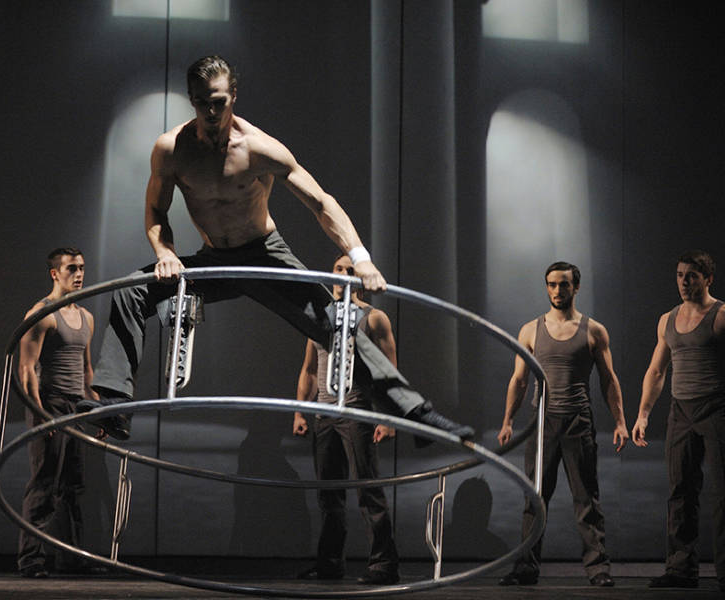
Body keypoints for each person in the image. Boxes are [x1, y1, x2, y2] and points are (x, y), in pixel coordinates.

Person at [78, 55, 473, 443]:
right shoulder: (172, 148)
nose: (210, 111)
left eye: (218, 101)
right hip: (214, 260)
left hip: (265, 255)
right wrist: (165, 252)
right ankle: (114, 404)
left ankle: (417, 414)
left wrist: (361, 258)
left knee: (338, 325)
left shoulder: (259, 148)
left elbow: (321, 203)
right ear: (191, 99)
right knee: (132, 290)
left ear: (234, 96)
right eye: (201, 102)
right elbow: (155, 210)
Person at [497, 262, 627, 588]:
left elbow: (609, 380)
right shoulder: (530, 330)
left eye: (564, 284)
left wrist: (621, 422)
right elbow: (519, 380)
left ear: (576, 287)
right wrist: (508, 420)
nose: (557, 290)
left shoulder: (594, 331)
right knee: (535, 498)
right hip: (542, 422)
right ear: (547, 287)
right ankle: (525, 568)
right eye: (552, 284)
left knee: (586, 500)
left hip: (578, 422)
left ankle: (598, 569)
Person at [292, 254, 400, 585]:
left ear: (360, 279)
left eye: (349, 270)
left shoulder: (374, 319)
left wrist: (387, 419)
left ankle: (384, 565)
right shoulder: (319, 317)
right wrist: (300, 411)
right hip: (324, 414)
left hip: (357, 413)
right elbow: (310, 369)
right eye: (337, 269)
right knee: (329, 494)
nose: (341, 275)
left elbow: (389, 373)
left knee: (368, 491)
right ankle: (329, 563)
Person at [632, 250, 725, 592]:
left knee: (722, 494)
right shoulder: (667, 319)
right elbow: (657, 371)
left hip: (716, 408)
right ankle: (682, 569)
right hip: (681, 412)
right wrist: (643, 414)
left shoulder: (721, 316)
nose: (684, 282)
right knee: (680, 491)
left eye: (692, 276)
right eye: (680, 275)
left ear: (708, 279)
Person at [17, 248, 104, 578]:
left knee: (72, 487)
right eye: (71, 268)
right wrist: (39, 412)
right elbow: (26, 369)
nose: (79, 274)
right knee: (45, 483)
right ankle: (31, 560)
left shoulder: (87, 318)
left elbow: (86, 369)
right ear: (55, 273)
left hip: (75, 407)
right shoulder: (42, 314)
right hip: (49, 403)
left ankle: (71, 558)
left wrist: (96, 408)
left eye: (81, 268)